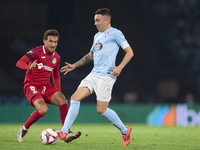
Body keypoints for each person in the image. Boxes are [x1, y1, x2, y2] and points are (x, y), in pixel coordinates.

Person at [58, 8, 134, 146]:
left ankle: (125, 130)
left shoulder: (115, 33)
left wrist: (120, 67)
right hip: (93, 74)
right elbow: (90, 55)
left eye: (97, 20)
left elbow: (130, 52)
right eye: (94, 20)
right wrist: (74, 65)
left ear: (107, 20)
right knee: (75, 98)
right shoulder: (97, 36)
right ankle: (64, 131)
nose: (95, 23)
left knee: (101, 110)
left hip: (106, 76)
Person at [16, 29, 81, 143]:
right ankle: (24, 128)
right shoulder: (36, 52)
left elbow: (55, 75)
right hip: (31, 85)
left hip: (46, 86)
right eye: (50, 41)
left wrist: (58, 91)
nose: (53, 44)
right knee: (43, 109)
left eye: (55, 42)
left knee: (63, 101)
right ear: (44, 41)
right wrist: (28, 67)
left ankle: (65, 131)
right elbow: (20, 62)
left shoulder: (57, 57)